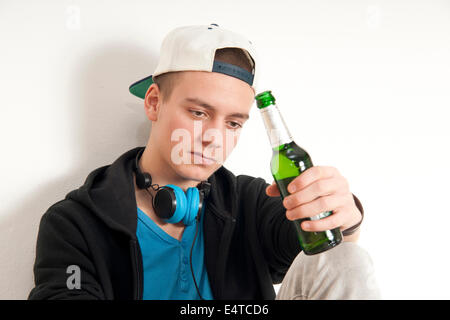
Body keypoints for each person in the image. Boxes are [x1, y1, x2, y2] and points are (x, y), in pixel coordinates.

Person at [28, 24, 380, 300]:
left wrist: (340, 217)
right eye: (199, 112)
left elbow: (327, 260)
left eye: (233, 123)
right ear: (153, 103)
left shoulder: (249, 201)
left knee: (347, 258)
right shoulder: (74, 223)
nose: (215, 137)